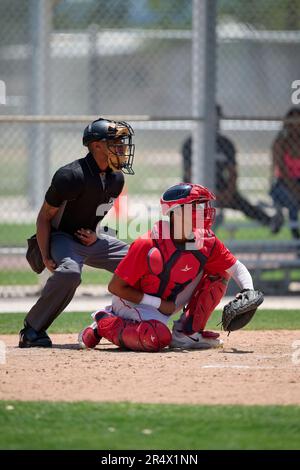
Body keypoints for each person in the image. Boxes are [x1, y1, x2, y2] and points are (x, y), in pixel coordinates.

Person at [78, 183, 258, 352]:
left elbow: (235, 267)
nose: (204, 212)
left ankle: (187, 333)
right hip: (134, 304)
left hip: (168, 303)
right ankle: (103, 321)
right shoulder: (148, 244)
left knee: (220, 271)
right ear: (177, 213)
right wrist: (158, 304)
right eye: (196, 207)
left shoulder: (205, 240)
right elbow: (115, 288)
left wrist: (248, 290)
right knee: (158, 337)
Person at [19, 118, 135, 348]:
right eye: (115, 142)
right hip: (61, 237)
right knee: (70, 273)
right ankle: (32, 329)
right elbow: (44, 217)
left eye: (122, 142)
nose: (122, 147)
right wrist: (45, 255)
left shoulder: (116, 179)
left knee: (142, 260)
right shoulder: (71, 176)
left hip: (91, 238)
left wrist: (96, 236)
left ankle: (135, 320)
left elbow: (93, 215)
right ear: (97, 146)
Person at [182, 105, 283, 232]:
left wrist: (228, 193)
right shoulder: (190, 143)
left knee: (242, 203)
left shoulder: (225, 143)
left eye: (217, 119)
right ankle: (201, 227)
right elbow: (189, 175)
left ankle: (270, 222)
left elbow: (232, 172)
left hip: (222, 189)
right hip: (196, 192)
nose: (215, 122)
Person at [270, 107, 300, 239]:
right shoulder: (280, 142)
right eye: (292, 122)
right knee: (292, 201)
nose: (295, 126)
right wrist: (294, 188)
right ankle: (296, 237)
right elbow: (281, 170)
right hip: (283, 183)